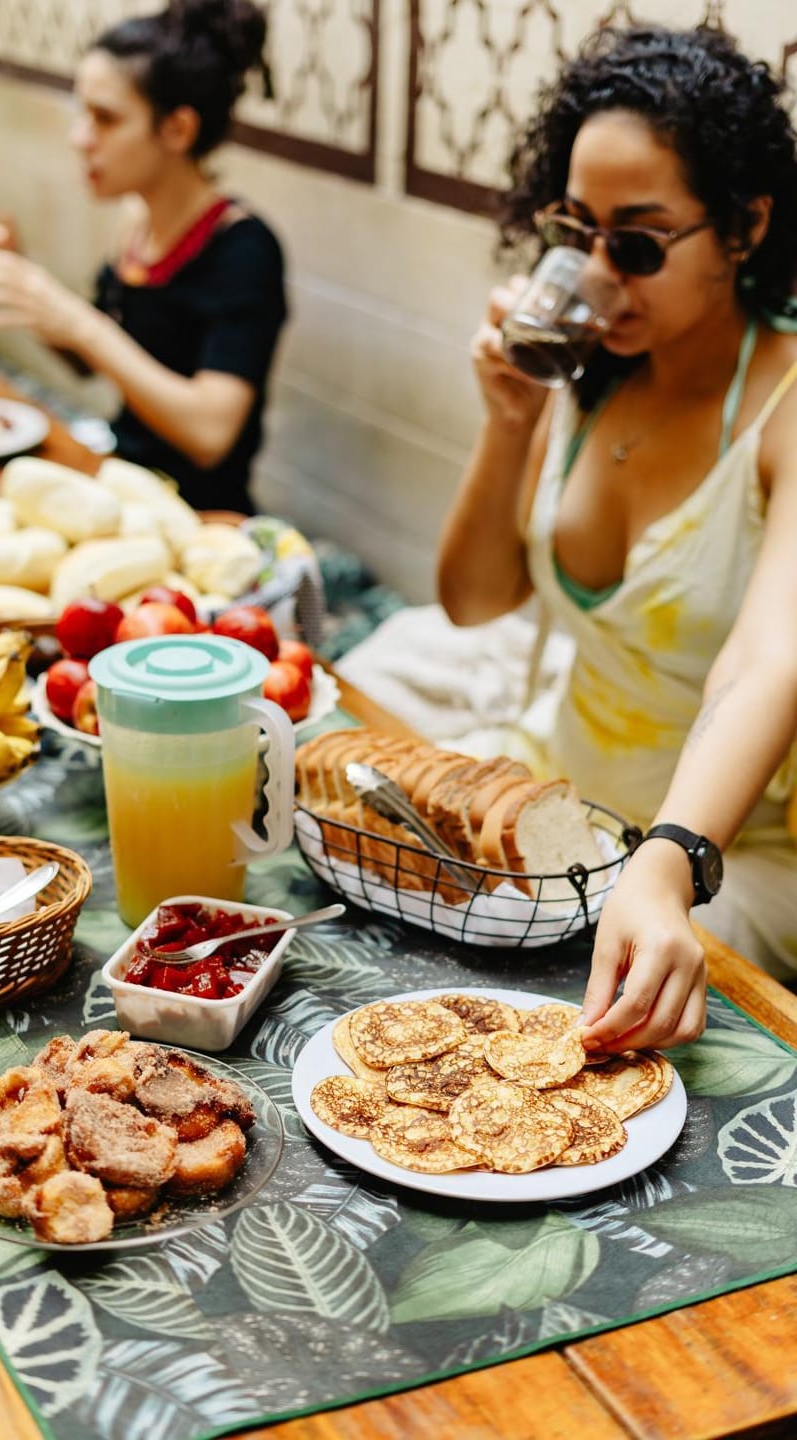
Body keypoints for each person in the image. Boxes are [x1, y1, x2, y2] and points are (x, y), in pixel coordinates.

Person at [436, 25, 797, 1053]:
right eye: (575, 231)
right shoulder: (592, 371)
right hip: (566, 806)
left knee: (559, 1040)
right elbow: (473, 602)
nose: (598, 274)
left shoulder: (785, 408)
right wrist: (506, 424)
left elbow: (771, 657)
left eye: (636, 245)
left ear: (744, 226)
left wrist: (669, 861)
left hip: (723, 852)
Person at [0, 0, 287, 515]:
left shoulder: (245, 249)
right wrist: (25, 285)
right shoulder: (135, 223)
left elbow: (210, 433)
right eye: (82, 114)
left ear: (177, 130)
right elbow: (87, 362)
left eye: (105, 119)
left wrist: (77, 320)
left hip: (202, 516)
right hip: (122, 491)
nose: (80, 139)